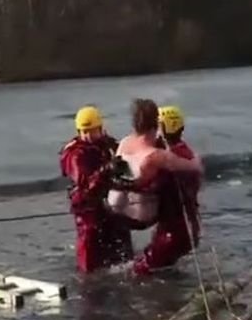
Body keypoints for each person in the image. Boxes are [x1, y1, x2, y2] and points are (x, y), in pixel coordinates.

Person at [119, 102, 204, 277]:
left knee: (141, 271)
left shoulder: (166, 159)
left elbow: (147, 186)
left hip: (176, 230)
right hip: (183, 226)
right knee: (159, 269)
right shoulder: (181, 152)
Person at [59, 105, 133, 273]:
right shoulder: (76, 154)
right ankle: (88, 285)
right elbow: (86, 185)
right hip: (89, 210)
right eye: (84, 132)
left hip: (111, 207)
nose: (88, 136)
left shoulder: (108, 145)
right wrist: (107, 169)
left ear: (100, 128)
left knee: (124, 254)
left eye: (92, 131)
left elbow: (125, 153)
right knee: (90, 260)